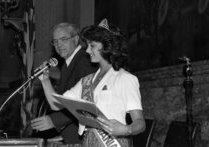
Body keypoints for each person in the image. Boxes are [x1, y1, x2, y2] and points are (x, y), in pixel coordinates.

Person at [38, 19, 146, 147]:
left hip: (114, 142)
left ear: (106, 46)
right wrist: (45, 81)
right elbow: (56, 104)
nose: (87, 51)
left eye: (92, 46)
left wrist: (126, 129)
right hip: (88, 141)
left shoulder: (125, 79)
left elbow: (140, 123)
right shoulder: (87, 80)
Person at [31, 23, 98, 144]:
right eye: (55, 41)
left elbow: (86, 104)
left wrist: (54, 121)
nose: (59, 45)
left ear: (76, 39)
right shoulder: (68, 64)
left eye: (63, 39)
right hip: (71, 137)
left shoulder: (84, 61)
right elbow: (59, 103)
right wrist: (45, 80)